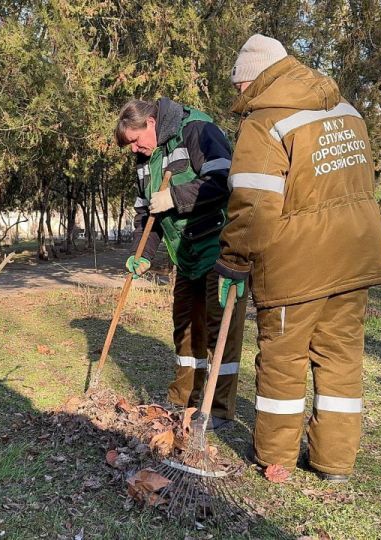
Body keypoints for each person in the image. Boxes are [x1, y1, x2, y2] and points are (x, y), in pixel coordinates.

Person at [214, 35, 381, 482]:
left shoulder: (267, 121)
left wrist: (233, 260)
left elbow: (253, 205)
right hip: (355, 258)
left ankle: (276, 457)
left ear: (252, 78)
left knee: (283, 361)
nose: (239, 96)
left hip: (297, 266)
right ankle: (335, 462)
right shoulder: (347, 111)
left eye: (238, 87)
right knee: (341, 360)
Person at [115, 97, 248, 430]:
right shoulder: (145, 159)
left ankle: (217, 410)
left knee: (220, 332)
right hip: (186, 252)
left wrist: (174, 196)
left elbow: (223, 182)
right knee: (186, 328)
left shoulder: (197, 130)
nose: (134, 150)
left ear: (150, 123)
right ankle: (183, 399)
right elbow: (147, 214)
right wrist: (142, 254)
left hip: (220, 247)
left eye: (135, 140)